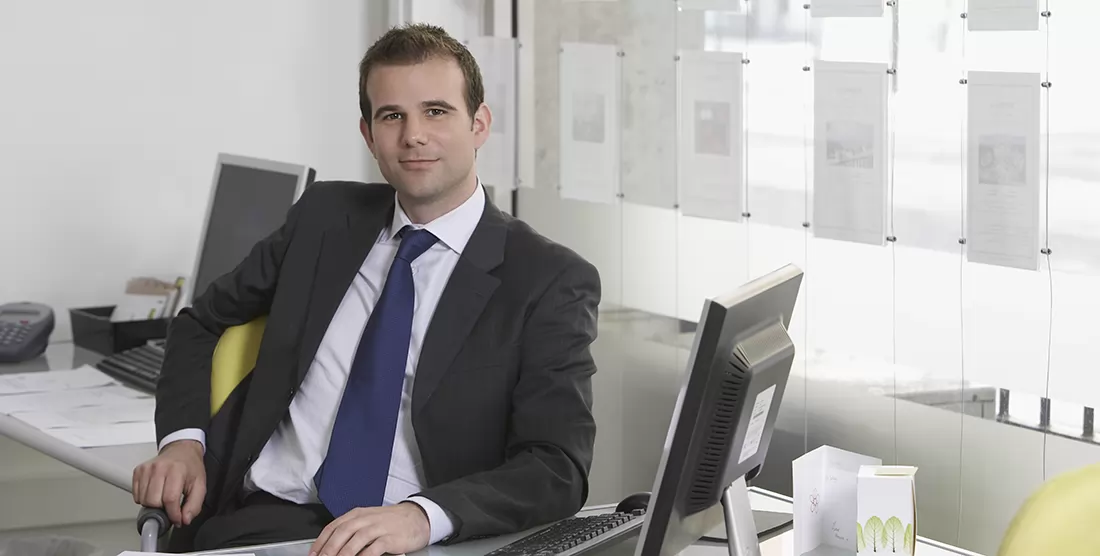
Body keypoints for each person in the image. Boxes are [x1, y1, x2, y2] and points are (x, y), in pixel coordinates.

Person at [132, 23, 601, 556]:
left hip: (415, 538)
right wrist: (183, 443)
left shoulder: (547, 278)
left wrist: (423, 517)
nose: (414, 135)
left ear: (479, 124)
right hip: (263, 520)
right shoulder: (324, 218)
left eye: (436, 111)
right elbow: (201, 323)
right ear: (368, 133)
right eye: (392, 116)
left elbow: (556, 466)